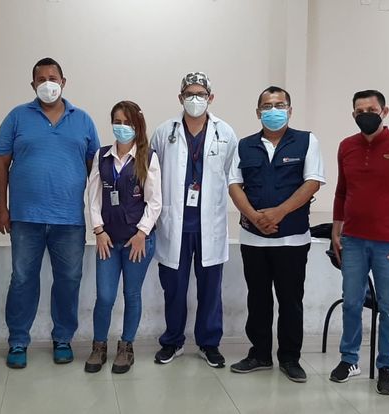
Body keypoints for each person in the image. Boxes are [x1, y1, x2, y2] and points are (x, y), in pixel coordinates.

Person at [0, 57, 100, 369]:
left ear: (63, 82)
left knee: (69, 279)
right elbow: (0, 163)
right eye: (41, 79)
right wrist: (2, 206)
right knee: (22, 279)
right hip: (25, 217)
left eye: (53, 78)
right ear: (32, 84)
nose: (47, 83)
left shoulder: (83, 120)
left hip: (69, 220)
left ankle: (63, 338)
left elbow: (97, 170)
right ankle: (18, 340)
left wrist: (100, 215)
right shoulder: (17, 117)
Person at [227, 86, 325, 383]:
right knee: (258, 299)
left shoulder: (306, 141)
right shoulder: (244, 145)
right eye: (267, 106)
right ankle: (259, 354)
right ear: (258, 112)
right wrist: (254, 217)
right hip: (253, 239)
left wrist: (278, 213)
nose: (273, 110)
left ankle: (290, 358)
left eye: (280, 105)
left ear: (290, 110)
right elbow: (234, 184)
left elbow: (312, 182)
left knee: (290, 300)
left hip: (292, 239)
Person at [329, 90, 389, 395]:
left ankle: (386, 366)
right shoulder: (346, 146)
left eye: (371, 109)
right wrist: (336, 231)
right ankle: (349, 359)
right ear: (353, 115)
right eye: (359, 111)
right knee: (351, 302)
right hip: (353, 241)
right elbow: (341, 192)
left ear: (384, 112)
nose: (365, 115)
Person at [150, 72, 240, 368]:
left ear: (211, 97)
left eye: (200, 94)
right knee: (174, 289)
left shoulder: (225, 133)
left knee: (210, 290)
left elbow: (233, 176)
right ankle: (172, 341)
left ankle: (209, 343)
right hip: (174, 224)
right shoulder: (164, 132)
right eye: (189, 94)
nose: (195, 99)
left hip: (209, 226)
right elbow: (152, 177)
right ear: (180, 98)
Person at [85, 101, 162, 374]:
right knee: (105, 297)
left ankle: (126, 347)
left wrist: (142, 233)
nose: (122, 127)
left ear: (137, 125)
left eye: (127, 122)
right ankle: (99, 346)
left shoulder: (147, 157)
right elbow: (93, 196)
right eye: (117, 122)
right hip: (108, 240)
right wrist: (98, 230)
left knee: (132, 294)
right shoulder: (102, 156)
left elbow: (155, 201)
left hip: (136, 242)